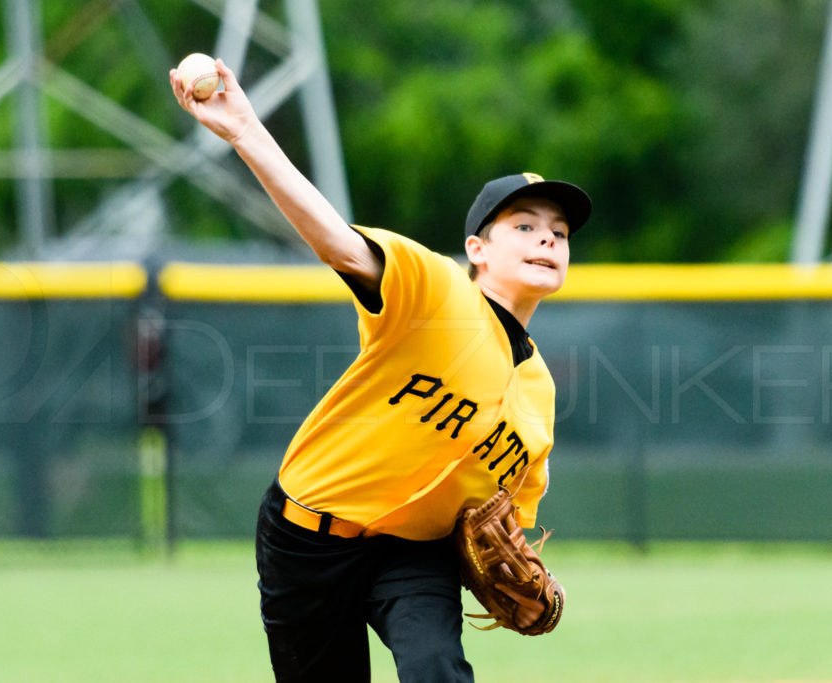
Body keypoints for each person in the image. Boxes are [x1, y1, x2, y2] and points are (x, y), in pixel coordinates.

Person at [170, 58, 591, 682]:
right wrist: (243, 130)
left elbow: (508, 520)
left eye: (559, 232)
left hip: (413, 555)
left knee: (437, 669)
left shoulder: (539, 393)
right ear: (478, 249)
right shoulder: (435, 289)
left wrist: (511, 561)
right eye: (524, 226)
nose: (547, 240)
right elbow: (336, 242)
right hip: (307, 535)